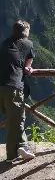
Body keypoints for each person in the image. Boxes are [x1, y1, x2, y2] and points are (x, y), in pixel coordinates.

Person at [0, 20, 35, 162]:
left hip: (0, 86)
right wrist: (28, 69)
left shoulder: (4, 44)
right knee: (15, 121)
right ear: (26, 31)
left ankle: (22, 146)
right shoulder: (27, 44)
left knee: (17, 117)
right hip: (13, 87)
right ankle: (11, 156)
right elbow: (28, 67)